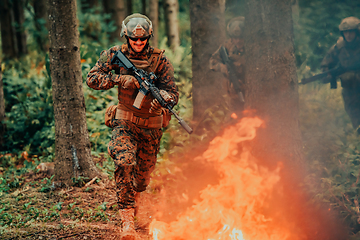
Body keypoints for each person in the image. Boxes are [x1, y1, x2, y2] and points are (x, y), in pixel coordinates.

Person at [86, 13, 179, 240]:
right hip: (125, 121)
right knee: (124, 162)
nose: (138, 43)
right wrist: (119, 79)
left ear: (148, 37)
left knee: (142, 178)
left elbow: (173, 93)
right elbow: (92, 78)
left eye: (143, 39)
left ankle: (136, 202)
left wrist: (164, 97)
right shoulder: (115, 55)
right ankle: (127, 220)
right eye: (134, 39)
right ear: (126, 37)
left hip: (151, 126)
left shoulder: (160, 61)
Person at [321, 16, 360, 134]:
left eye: (351, 32)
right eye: (345, 32)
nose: (348, 35)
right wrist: (328, 74)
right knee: (356, 118)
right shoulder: (339, 47)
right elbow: (326, 64)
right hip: (350, 90)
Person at [209, 16, 246, 115]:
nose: (238, 41)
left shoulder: (252, 47)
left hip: (248, 91)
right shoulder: (227, 46)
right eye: (235, 38)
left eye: (241, 38)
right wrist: (223, 68)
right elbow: (212, 62)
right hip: (232, 93)